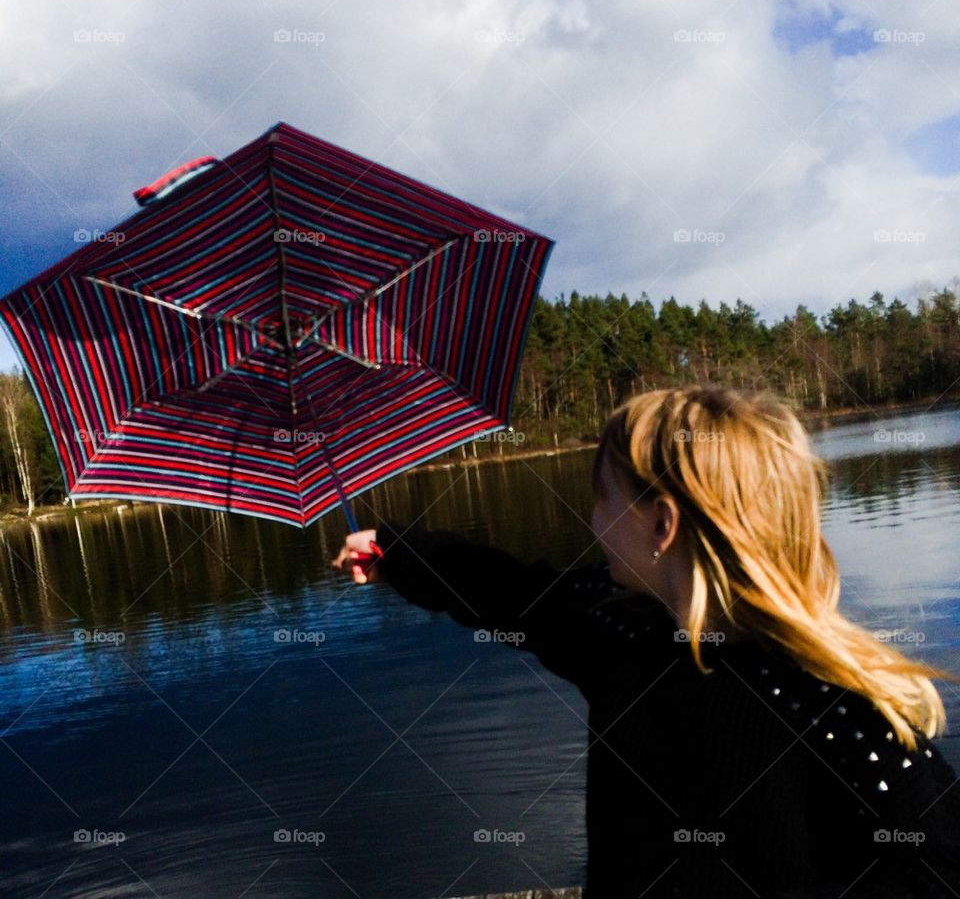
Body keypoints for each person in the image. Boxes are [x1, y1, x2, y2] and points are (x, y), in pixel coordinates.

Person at [332, 385, 960, 898]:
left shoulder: (835, 707)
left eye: (602, 501)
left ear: (661, 523)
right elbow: (507, 590)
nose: (593, 522)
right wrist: (397, 551)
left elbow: (931, 872)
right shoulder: (619, 626)